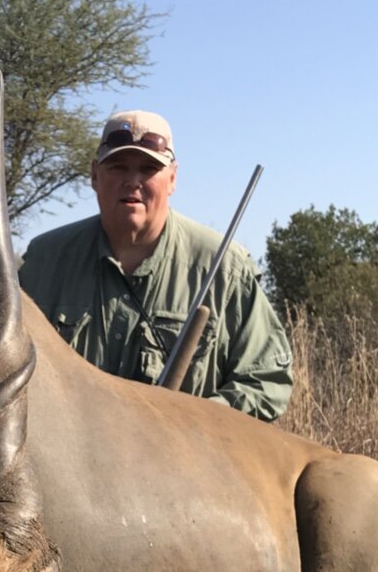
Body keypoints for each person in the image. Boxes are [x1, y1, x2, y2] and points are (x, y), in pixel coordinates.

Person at [18, 110, 292, 421]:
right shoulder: (43, 260)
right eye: (118, 167)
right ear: (94, 175)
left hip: (182, 463)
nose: (132, 181)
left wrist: (191, 421)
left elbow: (267, 382)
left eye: (149, 169)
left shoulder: (225, 267)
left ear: (172, 178)